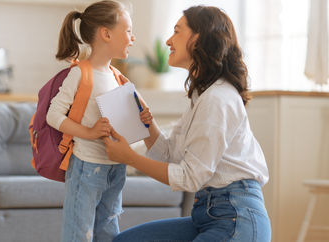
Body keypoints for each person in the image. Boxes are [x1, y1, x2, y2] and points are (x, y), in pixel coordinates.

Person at [103, 5, 272, 242]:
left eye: (177, 31)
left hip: (236, 218)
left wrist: (129, 157)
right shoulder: (202, 96)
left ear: (200, 37)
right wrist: (146, 122)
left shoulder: (218, 99)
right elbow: (168, 153)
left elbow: (190, 177)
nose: (169, 41)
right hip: (209, 215)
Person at [45, 1, 136, 241]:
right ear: (106, 34)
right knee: (79, 233)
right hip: (87, 167)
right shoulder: (80, 73)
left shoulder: (117, 77)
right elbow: (53, 115)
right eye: (127, 31)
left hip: (115, 168)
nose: (132, 38)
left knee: (108, 232)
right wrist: (89, 131)